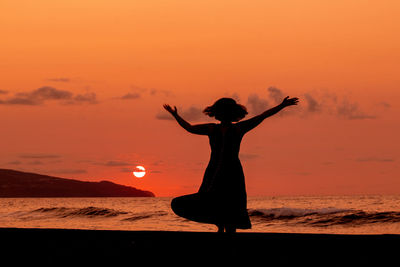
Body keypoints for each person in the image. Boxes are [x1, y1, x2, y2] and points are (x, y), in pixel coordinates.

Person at [164, 95, 298, 233]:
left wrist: (282, 106)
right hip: (218, 169)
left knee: (228, 201)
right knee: (215, 200)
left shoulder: (231, 128)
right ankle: (222, 229)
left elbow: (263, 115)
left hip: (229, 170)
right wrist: (175, 115)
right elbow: (190, 128)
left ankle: (225, 230)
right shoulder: (227, 128)